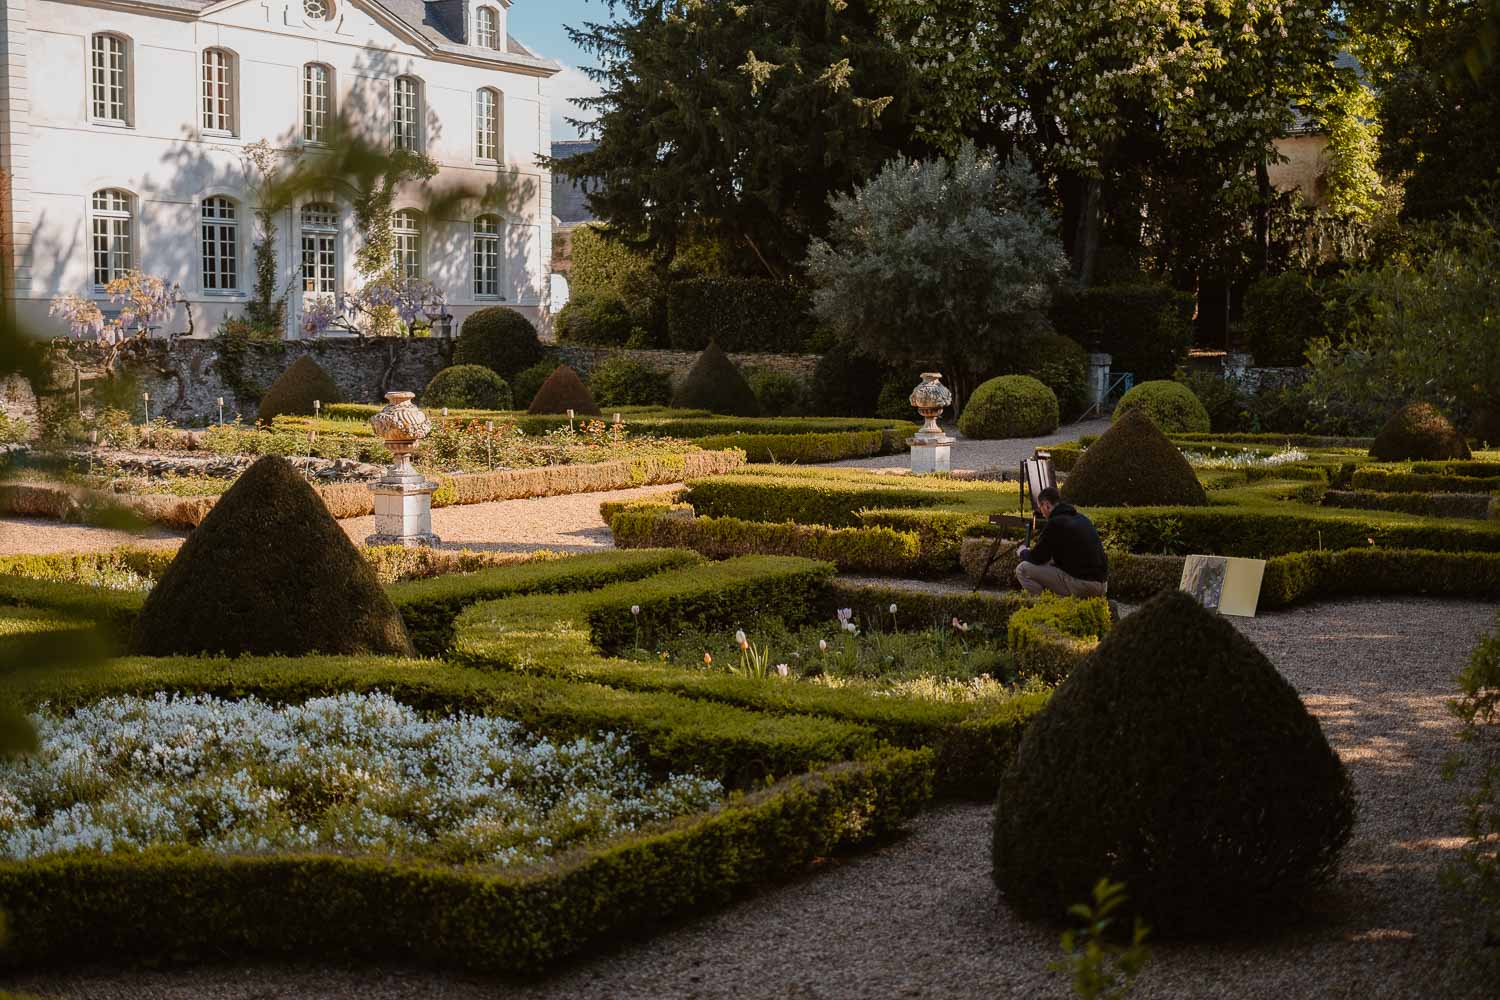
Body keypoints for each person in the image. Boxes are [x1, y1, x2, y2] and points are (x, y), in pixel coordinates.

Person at [1014, 486, 1109, 598]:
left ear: (1047, 505)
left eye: (1040, 507)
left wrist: (1023, 552)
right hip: (1102, 584)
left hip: (1085, 586)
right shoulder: (1081, 518)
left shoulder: (1055, 523)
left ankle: (1045, 605)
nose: (1041, 512)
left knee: (1022, 569)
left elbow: (1037, 558)